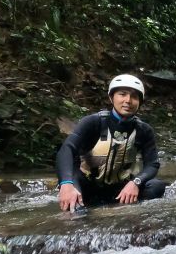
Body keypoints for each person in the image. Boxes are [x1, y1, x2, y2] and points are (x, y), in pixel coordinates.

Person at [56, 74, 167, 211]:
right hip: (87, 186)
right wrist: (66, 183)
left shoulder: (143, 130)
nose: (128, 100)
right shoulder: (93, 122)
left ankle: (124, 211)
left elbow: (152, 164)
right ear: (111, 97)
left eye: (134, 96)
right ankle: (76, 207)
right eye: (122, 94)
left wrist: (135, 182)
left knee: (157, 186)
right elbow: (67, 149)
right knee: (73, 192)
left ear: (140, 102)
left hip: (119, 189)